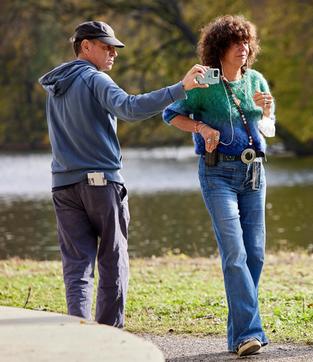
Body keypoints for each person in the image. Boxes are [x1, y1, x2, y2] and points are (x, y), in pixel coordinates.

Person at [38, 21, 207, 328]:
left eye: (115, 47)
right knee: (113, 261)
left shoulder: (57, 85)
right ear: (85, 46)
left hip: (63, 185)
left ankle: (78, 330)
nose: (113, 53)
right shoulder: (94, 79)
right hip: (102, 185)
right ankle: (108, 337)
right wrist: (180, 89)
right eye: (106, 46)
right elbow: (129, 108)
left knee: (77, 265)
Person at [162, 15, 274, 357]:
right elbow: (170, 113)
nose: (243, 48)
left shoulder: (256, 80)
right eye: (235, 42)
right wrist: (201, 129)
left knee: (254, 254)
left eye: (246, 42)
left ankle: (238, 333)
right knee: (234, 252)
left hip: (254, 173)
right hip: (217, 174)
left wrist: (268, 112)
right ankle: (249, 333)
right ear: (219, 48)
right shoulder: (204, 84)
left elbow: (268, 129)